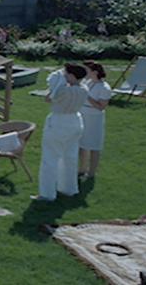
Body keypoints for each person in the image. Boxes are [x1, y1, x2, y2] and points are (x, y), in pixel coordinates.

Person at [34, 62, 88, 201]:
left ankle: (47, 194)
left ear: (71, 75)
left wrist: (59, 82)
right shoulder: (84, 88)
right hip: (75, 122)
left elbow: (48, 98)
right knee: (70, 157)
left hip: (59, 123)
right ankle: (69, 189)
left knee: (49, 158)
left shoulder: (63, 90)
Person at [79, 60, 112, 178]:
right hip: (82, 114)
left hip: (94, 118)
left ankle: (92, 171)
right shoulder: (86, 82)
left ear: (94, 72)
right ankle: (82, 167)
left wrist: (87, 96)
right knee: (82, 143)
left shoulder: (104, 88)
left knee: (93, 145)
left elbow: (101, 107)